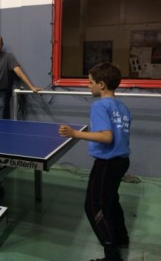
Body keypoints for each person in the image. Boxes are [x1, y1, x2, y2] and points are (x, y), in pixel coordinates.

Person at [58, 62, 131, 261]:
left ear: (101, 85)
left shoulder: (99, 105)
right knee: (111, 201)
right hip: (122, 161)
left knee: (94, 207)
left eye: (90, 82)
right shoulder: (122, 107)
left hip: (107, 163)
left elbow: (107, 137)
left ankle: (111, 255)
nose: (87, 86)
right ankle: (122, 238)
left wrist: (75, 134)